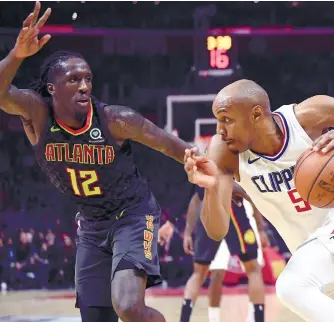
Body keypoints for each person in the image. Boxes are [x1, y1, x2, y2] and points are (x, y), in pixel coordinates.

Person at [0, 3, 241, 322]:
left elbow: (174, 146)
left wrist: (225, 179)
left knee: (127, 305)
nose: (85, 85)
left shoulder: (115, 120)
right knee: (95, 317)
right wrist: (17, 54)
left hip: (133, 215)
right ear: (52, 88)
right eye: (74, 79)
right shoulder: (38, 113)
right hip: (91, 222)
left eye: (88, 79)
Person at [184, 79, 334, 322]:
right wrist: (212, 188)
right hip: (317, 251)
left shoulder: (305, 118)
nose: (219, 129)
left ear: (255, 114)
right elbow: (216, 231)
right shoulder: (226, 152)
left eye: (227, 119)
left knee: (293, 286)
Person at [180, 185, 268, 322]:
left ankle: (184, 319)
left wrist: (187, 232)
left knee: (198, 273)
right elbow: (251, 196)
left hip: (207, 212)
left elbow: (196, 199)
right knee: (253, 269)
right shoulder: (230, 166)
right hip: (230, 208)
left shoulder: (201, 168)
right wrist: (261, 228)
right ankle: (258, 318)